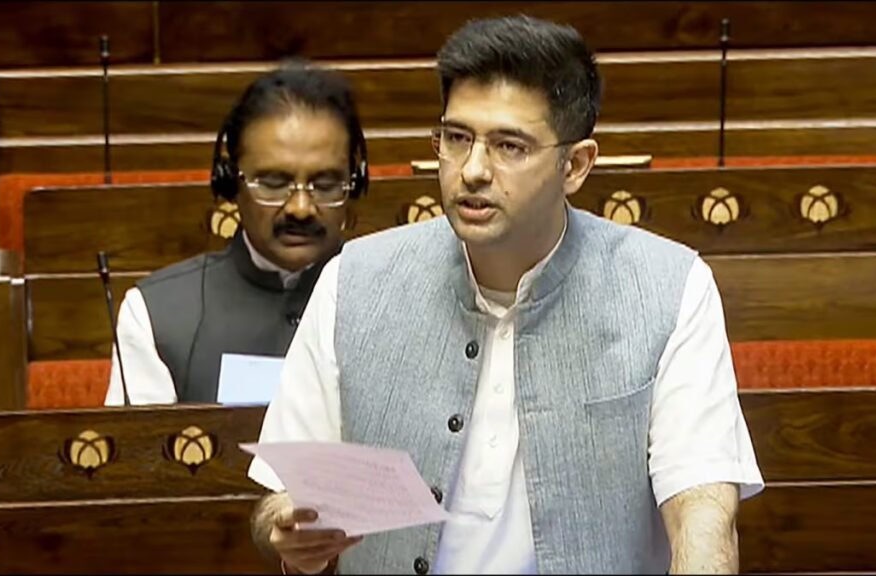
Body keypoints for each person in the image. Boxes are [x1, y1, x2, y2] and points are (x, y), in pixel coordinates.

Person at [247, 16, 763, 575]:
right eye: (457, 138)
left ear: (576, 165)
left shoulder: (668, 286)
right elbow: (280, 499)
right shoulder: (355, 281)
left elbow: (703, 512)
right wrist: (289, 526)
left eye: (509, 146)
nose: (471, 170)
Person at [104, 60, 368, 405]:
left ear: (356, 183)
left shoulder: (396, 303)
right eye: (273, 183)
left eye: (326, 184)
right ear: (230, 182)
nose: (301, 207)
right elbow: (141, 456)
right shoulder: (156, 316)